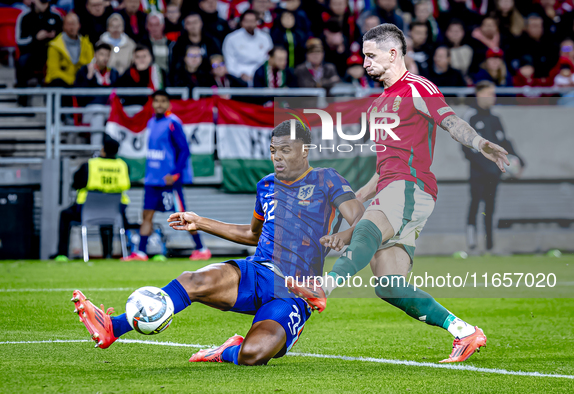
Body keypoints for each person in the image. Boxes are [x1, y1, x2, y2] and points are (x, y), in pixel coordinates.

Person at [288, 24, 510, 363]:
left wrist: (480, 144)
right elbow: (381, 172)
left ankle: (324, 288)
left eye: (370, 55)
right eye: (364, 55)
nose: (364, 62)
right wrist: (351, 209)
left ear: (393, 54)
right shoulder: (377, 106)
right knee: (388, 286)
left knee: (368, 231)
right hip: (393, 188)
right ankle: (465, 332)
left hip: (411, 185)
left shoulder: (418, 88)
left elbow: (450, 122)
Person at [71, 120, 365, 366]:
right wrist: (201, 222)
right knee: (194, 280)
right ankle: (114, 326)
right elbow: (252, 235)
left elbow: (361, 224)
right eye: (273, 150)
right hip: (256, 271)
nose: (277, 157)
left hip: (294, 292)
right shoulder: (266, 185)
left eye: (285, 151)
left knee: (254, 355)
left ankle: (226, 351)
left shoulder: (327, 180)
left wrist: (341, 242)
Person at [122, 90, 210, 262]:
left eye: (163, 101)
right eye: (156, 101)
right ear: (152, 103)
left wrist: (175, 174)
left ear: (168, 104)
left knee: (183, 216)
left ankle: (202, 248)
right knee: (146, 215)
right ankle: (141, 252)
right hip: (152, 180)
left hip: (169, 181)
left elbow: (184, 150)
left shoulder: (173, 123)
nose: (159, 104)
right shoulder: (151, 122)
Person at [463, 81, 524, 251]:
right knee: (475, 204)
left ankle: (489, 246)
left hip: (494, 173)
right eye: (489, 93)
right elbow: (466, 147)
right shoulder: (471, 116)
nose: (493, 97)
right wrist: (485, 165)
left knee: (490, 208)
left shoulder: (495, 118)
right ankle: (471, 244)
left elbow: (504, 141)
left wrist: (518, 159)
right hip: (477, 172)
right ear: (479, 94)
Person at [52, 135, 130, 261]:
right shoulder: (123, 166)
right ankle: (108, 254)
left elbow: (76, 183)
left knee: (65, 215)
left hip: (87, 210)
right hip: (115, 211)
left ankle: (62, 254)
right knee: (107, 218)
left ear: (103, 150)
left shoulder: (90, 165)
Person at [15, 0, 63, 95]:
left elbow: (64, 38)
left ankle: (55, 99)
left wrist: (54, 38)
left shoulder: (56, 16)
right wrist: (35, 38)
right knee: (22, 61)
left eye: (45, 3)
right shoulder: (24, 17)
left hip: (52, 53)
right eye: (41, 2)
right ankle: (22, 97)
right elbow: (19, 41)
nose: (43, 5)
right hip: (32, 52)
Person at [222, 9, 273, 83]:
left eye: (252, 21)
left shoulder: (265, 37)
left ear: (257, 22)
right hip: (238, 77)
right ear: (242, 22)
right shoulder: (231, 38)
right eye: (247, 21)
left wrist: (260, 75)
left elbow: (269, 59)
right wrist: (239, 75)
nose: (250, 24)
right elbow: (229, 62)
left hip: (262, 76)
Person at [45, 13, 94, 87]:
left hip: (80, 83)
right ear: (63, 26)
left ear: (79, 25)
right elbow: (53, 71)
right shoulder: (54, 46)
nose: (72, 27)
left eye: (74, 24)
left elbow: (90, 64)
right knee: (57, 81)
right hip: (63, 83)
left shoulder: (86, 44)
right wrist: (72, 80)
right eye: (69, 24)